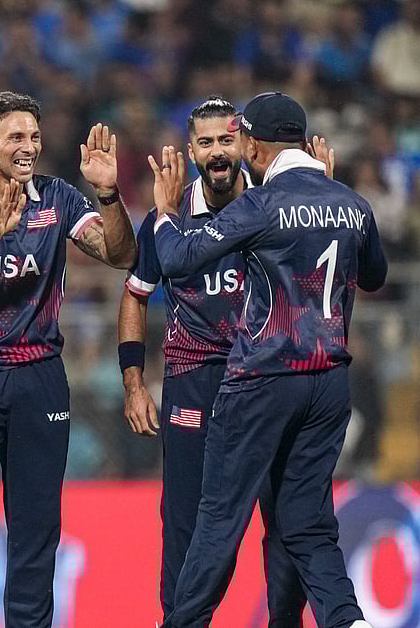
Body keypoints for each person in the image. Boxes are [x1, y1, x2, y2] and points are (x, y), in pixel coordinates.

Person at [150, 92, 385, 628]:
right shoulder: (353, 202)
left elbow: (176, 257)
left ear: (252, 143)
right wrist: (329, 201)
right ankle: (347, 619)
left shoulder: (260, 204)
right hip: (328, 382)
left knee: (219, 517)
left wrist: (165, 214)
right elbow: (373, 277)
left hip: (263, 377)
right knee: (308, 523)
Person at [0, 91, 137, 628]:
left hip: (39, 377)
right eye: (16, 137)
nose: (29, 147)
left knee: (37, 524)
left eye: (35, 137)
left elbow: (119, 255)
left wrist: (108, 195)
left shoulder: (57, 198)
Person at [119, 96, 314, 624]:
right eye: (206, 143)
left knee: (284, 517)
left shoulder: (279, 207)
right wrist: (134, 384)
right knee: (183, 517)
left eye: (226, 140)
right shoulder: (170, 214)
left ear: (246, 144)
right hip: (193, 382)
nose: (218, 152)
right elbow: (135, 294)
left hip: (266, 376)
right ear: (192, 150)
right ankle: (178, 620)